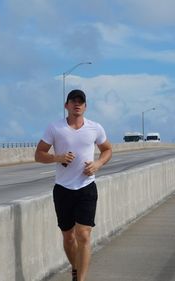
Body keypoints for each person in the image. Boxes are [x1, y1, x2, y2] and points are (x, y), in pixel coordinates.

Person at [35, 89, 112, 281]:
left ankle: (80, 279)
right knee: (69, 237)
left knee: (83, 235)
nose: (77, 104)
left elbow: (107, 149)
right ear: (66, 105)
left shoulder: (95, 128)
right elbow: (39, 154)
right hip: (63, 189)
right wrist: (58, 157)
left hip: (86, 187)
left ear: (85, 106)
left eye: (81, 101)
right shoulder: (55, 128)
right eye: (73, 101)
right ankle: (76, 269)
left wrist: (98, 164)